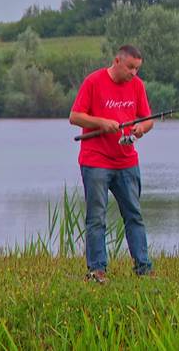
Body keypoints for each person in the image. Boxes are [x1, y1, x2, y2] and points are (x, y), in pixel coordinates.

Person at [69, 45, 155, 283]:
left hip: (127, 161)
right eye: (130, 67)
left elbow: (148, 121)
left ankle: (144, 268)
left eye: (137, 68)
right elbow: (74, 116)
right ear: (117, 61)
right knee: (96, 217)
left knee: (134, 215)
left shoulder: (137, 86)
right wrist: (101, 123)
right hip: (96, 161)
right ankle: (97, 270)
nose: (134, 73)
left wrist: (141, 129)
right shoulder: (94, 81)